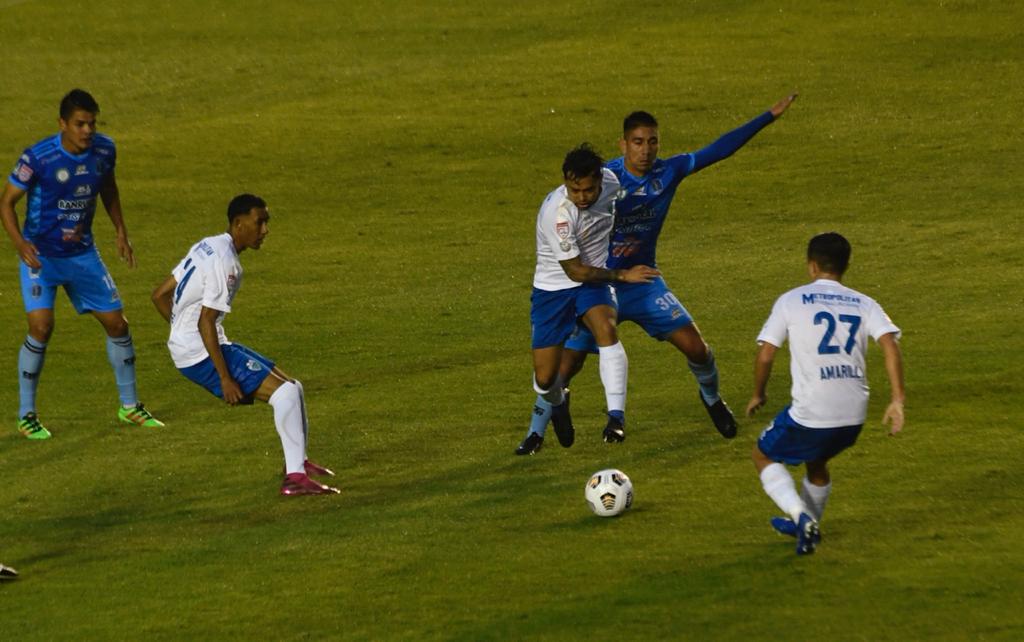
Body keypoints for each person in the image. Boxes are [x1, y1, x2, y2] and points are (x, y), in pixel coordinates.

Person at [550, 94, 798, 443]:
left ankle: (711, 398)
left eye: (652, 141)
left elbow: (719, 149)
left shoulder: (670, 170)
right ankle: (549, 422)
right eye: (637, 142)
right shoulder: (604, 181)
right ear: (623, 144)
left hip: (644, 282)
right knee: (564, 369)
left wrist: (767, 116)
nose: (646, 150)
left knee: (698, 348)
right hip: (601, 285)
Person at [0, 89, 163, 439]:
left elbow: (109, 187)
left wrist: (120, 229)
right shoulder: (38, 158)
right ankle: (27, 415)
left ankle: (130, 407)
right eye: (80, 124)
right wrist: (20, 243)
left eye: (92, 123)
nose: (88, 130)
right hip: (41, 257)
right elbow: (6, 203)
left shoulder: (104, 150)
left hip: (83, 256)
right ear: (62, 124)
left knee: (118, 325)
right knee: (41, 327)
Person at [151, 194, 338, 496]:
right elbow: (205, 322)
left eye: (266, 222)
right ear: (238, 224)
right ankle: (294, 479)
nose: (265, 230)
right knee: (286, 394)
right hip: (201, 352)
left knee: (294, 386)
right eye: (259, 222)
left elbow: (158, 295)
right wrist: (224, 377)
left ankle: (299, 462)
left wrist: (178, 334)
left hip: (199, 345)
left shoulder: (208, 244)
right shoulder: (226, 264)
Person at [745, 232, 905, 555]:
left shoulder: (791, 300)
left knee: (763, 455)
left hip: (812, 413)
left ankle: (799, 514)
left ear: (812, 266)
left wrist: (758, 394)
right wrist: (897, 399)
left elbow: (766, 354)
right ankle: (808, 528)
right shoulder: (865, 303)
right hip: (853, 416)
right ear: (846, 265)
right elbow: (890, 345)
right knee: (816, 464)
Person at [517, 144, 660, 455]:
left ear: (599, 180)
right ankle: (558, 403)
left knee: (607, 328)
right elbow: (575, 271)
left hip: (593, 282)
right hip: (554, 288)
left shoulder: (611, 182)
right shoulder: (558, 215)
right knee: (544, 379)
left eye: (588, 189)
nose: (581, 196)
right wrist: (624, 276)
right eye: (574, 189)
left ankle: (616, 418)